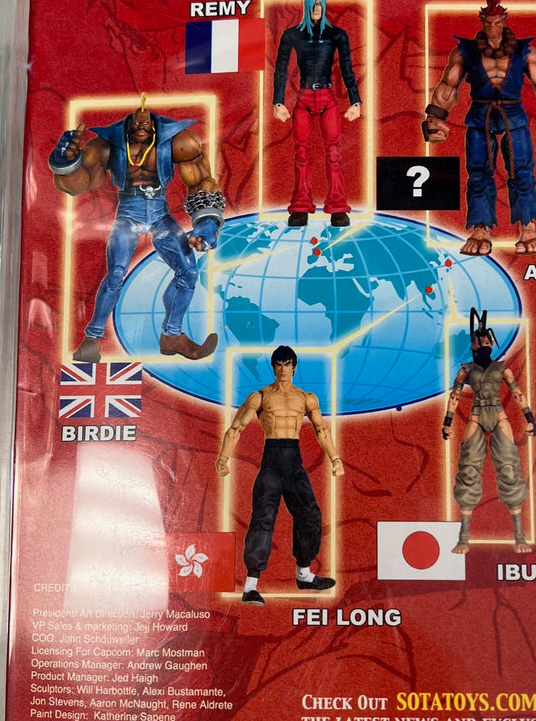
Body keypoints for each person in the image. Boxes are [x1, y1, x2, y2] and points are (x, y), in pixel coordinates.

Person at [49, 98, 222, 361]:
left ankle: (172, 336)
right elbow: (78, 184)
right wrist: (65, 162)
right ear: (127, 126)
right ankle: (91, 339)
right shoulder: (107, 146)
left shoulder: (179, 141)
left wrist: (207, 221)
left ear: (154, 125)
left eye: (146, 124)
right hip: (129, 213)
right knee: (116, 273)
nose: (141, 128)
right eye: (136, 125)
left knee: (188, 272)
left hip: (160, 213)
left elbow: (201, 180)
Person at [422, 0, 536, 256]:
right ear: (481, 21)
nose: (493, 27)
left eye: (497, 22)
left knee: (523, 173)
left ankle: (528, 229)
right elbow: (448, 85)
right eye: (488, 22)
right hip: (479, 115)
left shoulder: (524, 51)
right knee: (478, 174)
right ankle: (480, 229)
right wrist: (435, 118)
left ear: (504, 21)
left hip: (514, 116)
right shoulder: (465, 51)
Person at [215, 345, 344, 604]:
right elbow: (235, 428)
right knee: (263, 518)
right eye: (279, 364)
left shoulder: (306, 398)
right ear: (273, 367)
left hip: (293, 462)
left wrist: (335, 458)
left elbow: (321, 430)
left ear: (294, 367)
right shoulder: (260, 397)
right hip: (272, 461)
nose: (283, 369)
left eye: (288, 364)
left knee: (310, 515)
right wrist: (223, 458)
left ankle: (304, 575)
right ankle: (251, 586)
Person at [442, 311, 536, 554]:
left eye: (487, 341)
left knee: (509, 469)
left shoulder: (502, 368)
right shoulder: (466, 369)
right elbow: (455, 396)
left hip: (498, 415)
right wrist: (447, 421)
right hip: (476, 415)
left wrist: (530, 418)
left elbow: (517, 393)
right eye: (480, 340)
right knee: (468, 471)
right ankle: (464, 538)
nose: (484, 343)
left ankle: (519, 536)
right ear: (473, 344)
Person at [272, 0, 361, 228]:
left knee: (334, 154)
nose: (317, 8)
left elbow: (347, 68)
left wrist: (355, 100)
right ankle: (300, 207)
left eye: (321, 4)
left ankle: (338, 207)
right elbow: (280, 68)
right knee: (301, 154)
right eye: (313, 4)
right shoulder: (292, 34)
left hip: (327, 96)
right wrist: (278, 101)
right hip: (304, 97)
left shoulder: (336, 34)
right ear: (307, 6)